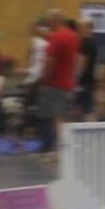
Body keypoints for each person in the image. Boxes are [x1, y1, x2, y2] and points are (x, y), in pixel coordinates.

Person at [40, 10, 80, 155]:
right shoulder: (73, 36)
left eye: (49, 21)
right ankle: (64, 151)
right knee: (65, 119)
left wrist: (45, 79)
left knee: (57, 120)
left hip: (56, 84)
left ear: (55, 21)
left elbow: (50, 61)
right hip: (68, 84)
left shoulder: (57, 36)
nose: (48, 24)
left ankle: (59, 152)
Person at [76, 20, 98, 121]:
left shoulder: (86, 43)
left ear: (88, 29)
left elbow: (82, 63)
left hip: (83, 82)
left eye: (81, 28)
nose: (79, 30)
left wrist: (76, 78)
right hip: (88, 82)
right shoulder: (92, 43)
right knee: (87, 109)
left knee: (83, 109)